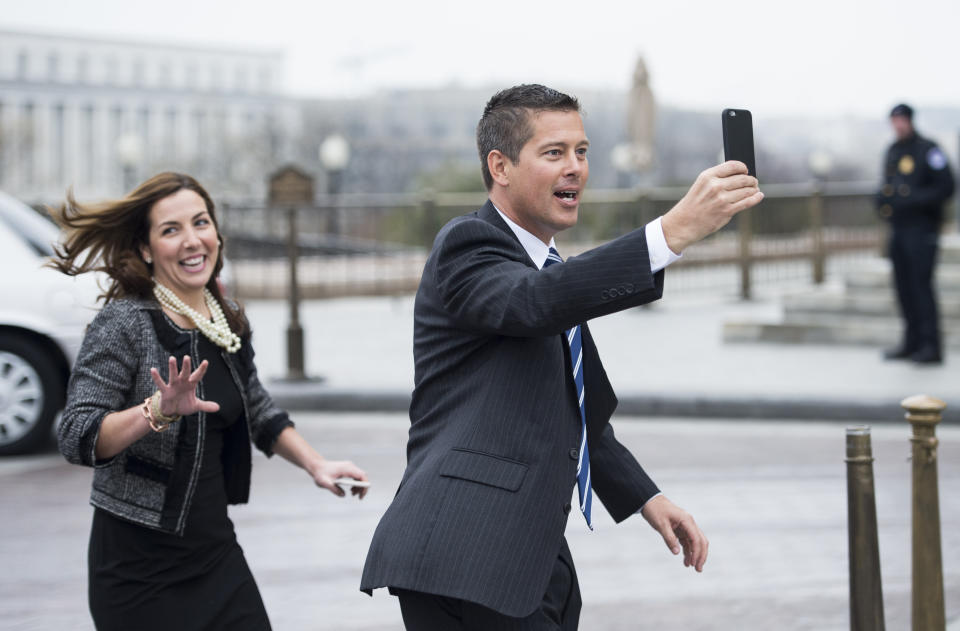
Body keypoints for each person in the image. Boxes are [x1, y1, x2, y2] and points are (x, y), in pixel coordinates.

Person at [360, 84, 763, 629]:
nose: (575, 167)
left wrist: (648, 498)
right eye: (554, 153)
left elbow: (580, 411)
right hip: (462, 553)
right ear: (499, 166)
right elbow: (534, 304)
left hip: (524, 557)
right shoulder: (468, 245)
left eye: (582, 151)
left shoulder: (546, 266)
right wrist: (671, 232)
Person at [52, 172, 370, 631]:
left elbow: (256, 408)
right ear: (146, 249)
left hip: (214, 553)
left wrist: (315, 464)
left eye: (200, 223)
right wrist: (155, 411)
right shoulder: (123, 325)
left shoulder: (226, 319)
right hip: (136, 569)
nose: (191, 240)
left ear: (216, 234)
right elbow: (77, 435)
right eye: (170, 230)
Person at [877, 103, 955, 364]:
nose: (898, 125)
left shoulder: (928, 149)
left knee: (922, 288)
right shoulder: (893, 150)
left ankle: (931, 347)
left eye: (901, 120)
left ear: (910, 121)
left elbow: (947, 187)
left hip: (922, 231)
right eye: (894, 121)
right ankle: (911, 344)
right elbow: (888, 187)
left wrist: (913, 200)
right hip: (898, 230)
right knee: (903, 288)